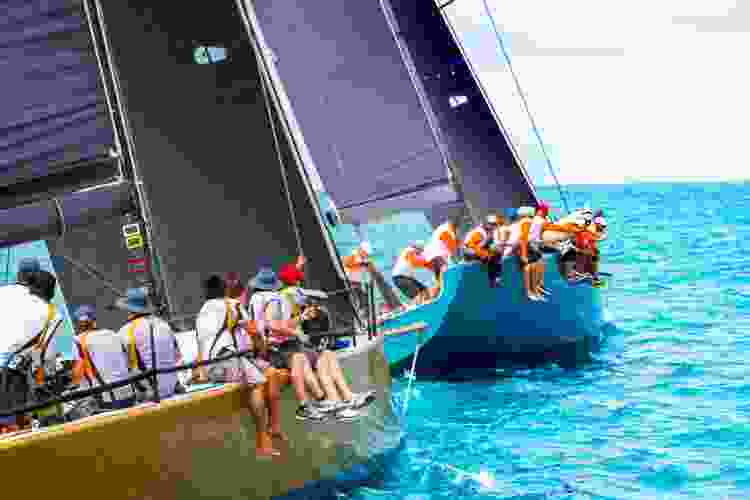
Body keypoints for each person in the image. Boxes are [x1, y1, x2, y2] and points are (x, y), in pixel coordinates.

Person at [196, 275, 279, 457]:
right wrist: (262, 348)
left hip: (209, 367)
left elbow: (201, 347)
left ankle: (272, 428)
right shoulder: (233, 305)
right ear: (224, 290)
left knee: (261, 371)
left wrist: (200, 374)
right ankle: (263, 442)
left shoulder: (202, 311)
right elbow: (254, 332)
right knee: (257, 383)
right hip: (227, 360)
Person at [0, 262, 58, 431]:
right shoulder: (46, 309)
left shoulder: (4, 292)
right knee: (14, 425)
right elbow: (44, 357)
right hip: (11, 373)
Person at [299, 301, 375, 412]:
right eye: (309, 308)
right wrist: (303, 319)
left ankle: (348, 396)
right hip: (301, 354)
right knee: (323, 361)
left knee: (329, 355)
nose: (311, 311)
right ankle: (333, 398)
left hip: (312, 350)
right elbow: (304, 338)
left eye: (313, 308)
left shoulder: (319, 316)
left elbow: (319, 338)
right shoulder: (299, 319)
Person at [115, 288, 183, 402]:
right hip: (172, 386)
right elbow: (177, 356)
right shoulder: (164, 325)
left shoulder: (124, 332)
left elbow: (124, 368)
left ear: (128, 309)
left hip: (151, 393)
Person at [69, 304, 136, 416]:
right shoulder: (113, 334)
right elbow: (129, 364)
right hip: (130, 393)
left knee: (75, 412)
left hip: (107, 401)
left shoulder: (78, 341)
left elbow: (77, 375)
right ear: (94, 320)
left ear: (77, 324)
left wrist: (71, 380)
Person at [463, 215, 503, 288]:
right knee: (489, 256)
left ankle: (496, 278)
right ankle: (493, 279)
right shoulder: (479, 232)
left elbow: (490, 245)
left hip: (478, 249)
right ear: (486, 223)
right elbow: (474, 247)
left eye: (494, 224)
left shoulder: (489, 231)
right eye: (491, 224)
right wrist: (487, 242)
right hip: (469, 251)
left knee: (497, 253)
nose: (493, 226)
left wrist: (494, 247)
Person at [422, 220, 459, 298]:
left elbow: (453, 245)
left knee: (440, 279)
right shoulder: (446, 230)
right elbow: (453, 248)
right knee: (444, 274)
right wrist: (457, 260)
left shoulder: (443, 229)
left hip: (432, 257)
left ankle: (433, 297)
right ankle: (437, 295)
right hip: (436, 257)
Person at [342, 243, 373, 311]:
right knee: (358, 297)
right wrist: (361, 263)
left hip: (357, 279)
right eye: (365, 252)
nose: (366, 254)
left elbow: (365, 268)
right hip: (351, 279)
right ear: (361, 250)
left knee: (363, 297)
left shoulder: (361, 257)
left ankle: (364, 311)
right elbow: (346, 263)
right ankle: (361, 311)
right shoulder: (354, 254)